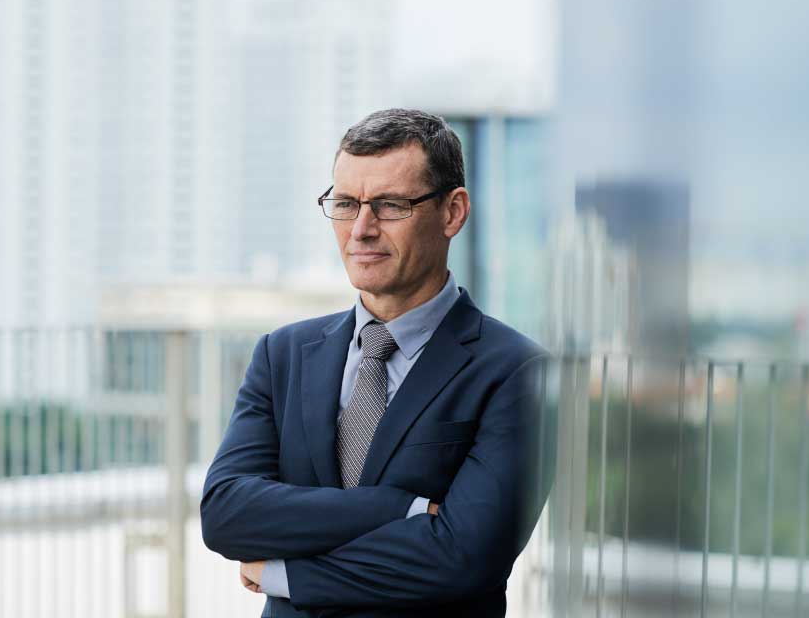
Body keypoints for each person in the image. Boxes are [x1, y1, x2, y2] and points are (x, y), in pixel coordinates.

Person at [200, 108, 550, 617]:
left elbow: (463, 557)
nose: (360, 230)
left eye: (389, 205)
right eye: (345, 204)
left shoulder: (519, 372)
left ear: (452, 213)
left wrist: (284, 574)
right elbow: (225, 514)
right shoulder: (282, 355)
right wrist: (399, 508)